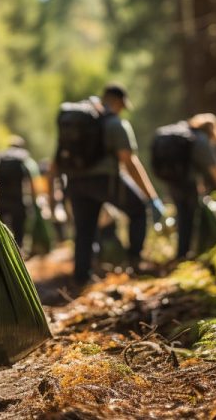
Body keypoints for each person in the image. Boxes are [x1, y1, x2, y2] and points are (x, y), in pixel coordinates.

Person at [49, 83, 165, 284]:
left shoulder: (76, 122)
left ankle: (81, 278)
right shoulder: (114, 123)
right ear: (118, 101)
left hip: (75, 182)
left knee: (84, 230)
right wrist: (152, 197)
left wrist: (54, 197)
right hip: (106, 181)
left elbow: (56, 162)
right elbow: (129, 161)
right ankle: (135, 262)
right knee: (138, 210)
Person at [152, 113, 216, 260]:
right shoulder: (201, 141)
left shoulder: (186, 135)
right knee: (190, 216)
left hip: (173, 181)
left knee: (182, 214)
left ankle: (182, 253)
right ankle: (188, 254)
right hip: (187, 183)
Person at [0, 135, 41, 249]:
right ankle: (19, 251)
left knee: (0, 228)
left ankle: (2, 250)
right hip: (18, 199)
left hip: (1, 199)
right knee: (19, 229)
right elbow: (32, 179)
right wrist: (34, 199)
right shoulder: (24, 158)